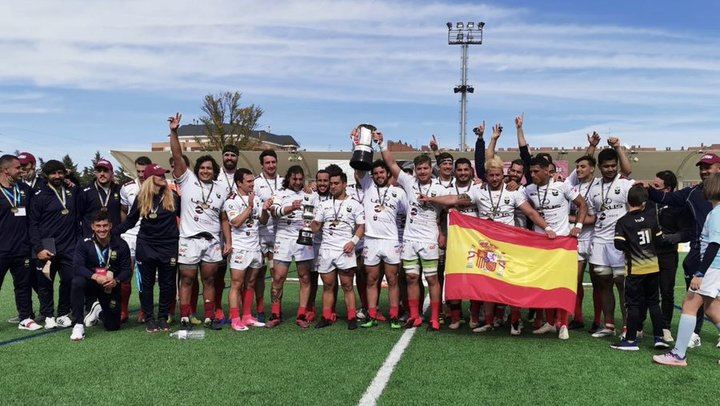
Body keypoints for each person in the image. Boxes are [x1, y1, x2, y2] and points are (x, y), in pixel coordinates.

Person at [424, 155, 556, 335]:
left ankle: (515, 322)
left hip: (509, 245)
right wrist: (430, 199)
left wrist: (547, 228)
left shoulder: (514, 192)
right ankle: (488, 321)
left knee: (512, 283)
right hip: (487, 247)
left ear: (504, 175)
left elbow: (531, 213)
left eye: (498, 175)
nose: (494, 179)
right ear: (486, 175)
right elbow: (454, 199)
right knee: (487, 283)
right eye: (491, 175)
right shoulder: (478, 191)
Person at [648, 153, 720, 348]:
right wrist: (644, 188)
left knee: (701, 302)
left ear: (718, 168)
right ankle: (693, 334)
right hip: (703, 254)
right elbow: (665, 197)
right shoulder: (693, 192)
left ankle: (679, 353)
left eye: (709, 166)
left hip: (714, 253)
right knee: (701, 302)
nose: (704, 171)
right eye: (701, 167)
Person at [168, 113, 231, 331]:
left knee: (210, 280)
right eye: (202, 168)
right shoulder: (187, 181)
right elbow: (177, 156)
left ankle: (210, 317)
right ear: (197, 170)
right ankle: (185, 317)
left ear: (214, 171)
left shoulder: (222, 189)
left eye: (209, 168)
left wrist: (228, 241)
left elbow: (224, 217)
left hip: (212, 241)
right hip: (188, 239)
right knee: (186, 278)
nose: (205, 171)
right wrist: (174, 132)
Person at [524, 156, 587, 340]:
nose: (533, 175)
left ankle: (564, 324)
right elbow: (527, 210)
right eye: (531, 172)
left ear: (547, 171)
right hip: (541, 244)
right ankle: (550, 323)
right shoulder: (528, 190)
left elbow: (582, 205)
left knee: (562, 284)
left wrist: (578, 226)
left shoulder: (563, 186)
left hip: (562, 243)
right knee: (546, 285)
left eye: (536, 171)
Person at [117, 163, 179, 333]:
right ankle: (150, 318)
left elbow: (185, 216)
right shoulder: (141, 197)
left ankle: (163, 317)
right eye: (159, 175)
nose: (163, 178)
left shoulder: (172, 196)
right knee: (147, 284)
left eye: (163, 175)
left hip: (168, 246)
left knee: (167, 284)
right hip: (146, 245)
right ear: (151, 179)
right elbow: (130, 221)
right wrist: (113, 234)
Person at [610, 186, 669, 351]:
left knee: (633, 305)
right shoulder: (651, 219)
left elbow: (618, 243)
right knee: (654, 303)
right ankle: (659, 338)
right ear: (644, 203)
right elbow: (659, 241)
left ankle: (630, 341)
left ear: (628, 201)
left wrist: (631, 246)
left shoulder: (623, 221)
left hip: (635, 270)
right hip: (653, 267)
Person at [587, 138, 635, 338]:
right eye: (606, 166)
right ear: (599, 167)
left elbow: (635, 211)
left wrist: (618, 147)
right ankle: (608, 325)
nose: (609, 169)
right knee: (603, 283)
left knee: (622, 284)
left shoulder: (625, 184)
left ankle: (627, 326)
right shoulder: (594, 187)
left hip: (619, 242)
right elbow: (592, 215)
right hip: (599, 241)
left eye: (613, 166)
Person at [355, 160, 406, 329]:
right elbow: (359, 170)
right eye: (375, 173)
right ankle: (371, 315)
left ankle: (393, 315)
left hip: (391, 241)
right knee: (371, 280)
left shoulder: (398, 192)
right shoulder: (367, 185)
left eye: (381, 172)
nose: (378, 176)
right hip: (371, 240)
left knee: (392, 280)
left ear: (388, 174)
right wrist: (359, 143)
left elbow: (409, 214)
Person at [29, 160, 80, 329]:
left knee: (69, 280)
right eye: (53, 173)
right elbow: (33, 225)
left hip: (69, 245)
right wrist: (38, 249)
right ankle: (48, 314)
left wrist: (72, 177)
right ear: (46, 175)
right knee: (45, 283)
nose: (57, 176)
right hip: (47, 246)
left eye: (60, 173)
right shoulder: (39, 196)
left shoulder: (71, 191)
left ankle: (63, 313)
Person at [311, 171, 365, 329]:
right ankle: (326, 316)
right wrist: (309, 221)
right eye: (331, 184)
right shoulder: (324, 204)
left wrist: (353, 242)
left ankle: (352, 317)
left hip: (345, 250)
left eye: (336, 183)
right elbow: (316, 227)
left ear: (344, 184)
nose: (332, 186)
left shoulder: (354, 204)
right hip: (326, 250)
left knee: (347, 285)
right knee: (328, 286)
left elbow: (361, 226)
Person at [268, 165, 318, 328]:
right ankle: (275, 314)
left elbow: (314, 216)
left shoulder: (310, 196)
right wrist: (291, 207)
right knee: (278, 277)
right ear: (288, 178)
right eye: (294, 179)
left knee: (304, 277)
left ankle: (301, 314)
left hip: (303, 238)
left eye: (300, 179)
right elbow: (274, 212)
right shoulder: (280, 193)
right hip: (283, 237)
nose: (297, 182)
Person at [70, 212, 131, 341]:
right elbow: (77, 266)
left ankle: (98, 311)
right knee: (77, 282)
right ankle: (78, 324)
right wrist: (95, 276)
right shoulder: (84, 243)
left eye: (105, 225)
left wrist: (116, 280)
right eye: (98, 226)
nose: (102, 229)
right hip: (91, 283)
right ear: (92, 226)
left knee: (113, 326)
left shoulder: (121, 244)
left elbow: (127, 270)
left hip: (109, 285)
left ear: (110, 226)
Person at [223, 168, 269, 331]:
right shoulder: (231, 200)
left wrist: (264, 209)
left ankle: (247, 316)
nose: (252, 184)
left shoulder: (256, 198)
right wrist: (249, 207)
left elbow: (262, 221)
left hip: (255, 247)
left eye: (253, 181)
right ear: (239, 183)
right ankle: (235, 318)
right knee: (237, 284)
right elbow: (235, 222)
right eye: (249, 181)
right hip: (240, 248)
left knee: (250, 283)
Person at [651, 170, 693, 342]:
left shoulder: (679, 206)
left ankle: (665, 327)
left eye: (656, 185)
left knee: (666, 291)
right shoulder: (649, 203)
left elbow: (686, 232)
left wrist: (669, 239)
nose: (652, 188)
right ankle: (638, 326)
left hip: (668, 254)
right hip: (648, 254)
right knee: (647, 291)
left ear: (667, 188)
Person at [0, 154, 41, 331]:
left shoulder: (24, 189)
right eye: (17, 168)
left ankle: (25, 318)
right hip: (1, 249)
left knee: (23, 286)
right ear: (5, 170)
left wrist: (68, 182)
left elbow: (42, 200)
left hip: (22, 248)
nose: (21, 170)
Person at [119, 155, 151, 323]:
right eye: (138, 171)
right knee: (125, 274)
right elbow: (124, 210)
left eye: (143, 171)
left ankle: (145, 310)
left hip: (147, 236)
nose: (140, 174)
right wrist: (125, 230)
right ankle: (123, 310)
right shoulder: (127, 187)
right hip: (130, 236)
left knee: (145, 276)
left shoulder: (157, 186)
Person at [253, 149, 284, 322]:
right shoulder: (256, 183)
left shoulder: (283, 181)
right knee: (258, 274)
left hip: (279, 235)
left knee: (277, 274)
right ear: (262, 165)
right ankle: (259, 309)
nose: (271, 165)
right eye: (267, 163)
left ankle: (275, 309)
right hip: (260, 234)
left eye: (273, 162)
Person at [214, 144, 240, 323]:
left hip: (240, 231)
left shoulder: (244, 176)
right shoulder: (216, 175)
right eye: (227, 155)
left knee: (240, 274)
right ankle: (217, 308)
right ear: (222, 157)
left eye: (233, 155)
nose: (229, 158)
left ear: (237, 158)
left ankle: (237, 311)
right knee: (218, 273)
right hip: (219, 229)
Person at [308, 168, 333, 322]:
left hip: (330, 245)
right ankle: (310, 308)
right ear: (316, 182)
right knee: (312, 278)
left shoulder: (336, 197)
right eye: (320, 181)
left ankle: (330, 309)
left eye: (326, 181)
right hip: (313, 244)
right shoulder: (311, 198)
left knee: (330, 281)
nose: (323, 184)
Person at [78, 159, 122, 238]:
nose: (102, 174)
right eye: (99, 171)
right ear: (95, 173)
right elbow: (78, 216)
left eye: (105, 171)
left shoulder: (119, 190)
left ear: (112, 173)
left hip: (113, 237)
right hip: (91, 238)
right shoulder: (86, 192)